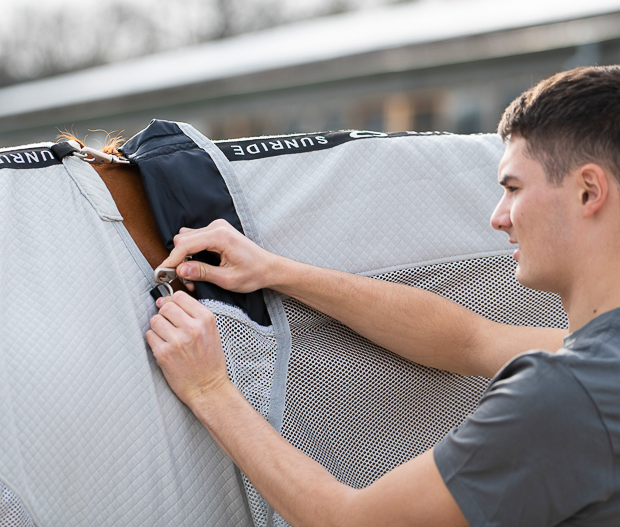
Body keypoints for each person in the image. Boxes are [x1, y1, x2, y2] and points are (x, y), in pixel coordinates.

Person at [145, 65, 620, 526]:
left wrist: (209, 390)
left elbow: (349, 520)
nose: (499, 216)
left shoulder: (568, 394)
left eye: (514, 188)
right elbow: (468, 340)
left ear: (587, 191)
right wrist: (277, 271)